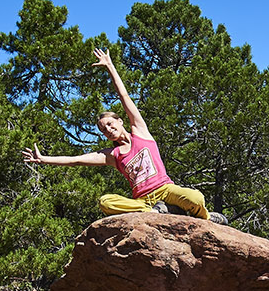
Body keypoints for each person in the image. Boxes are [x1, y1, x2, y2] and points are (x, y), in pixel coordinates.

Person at [22, 48, 228, 225]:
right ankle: (157, 213)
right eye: (103, 129)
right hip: (143, 202)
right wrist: (43, 159)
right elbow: (75, 160)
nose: (108, 130)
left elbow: (124, 96)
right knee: (106, 202)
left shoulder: (140, 132)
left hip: (165, 190)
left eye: (110, 124)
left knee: (196, 197)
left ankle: (207, 218)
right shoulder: (113, 155)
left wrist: (110, 67)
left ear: (120, 122)